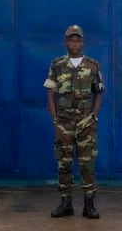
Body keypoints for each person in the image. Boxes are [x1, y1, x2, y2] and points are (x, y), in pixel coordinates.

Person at [43, 24, 105, 220]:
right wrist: (55, 120)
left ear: (82, 41)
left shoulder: (93, 65)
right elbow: (51, 94)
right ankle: (66, 203)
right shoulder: (57, 65)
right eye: (71, 39)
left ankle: (89, 204)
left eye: (78, 39)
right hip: (64, 122)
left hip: (86, 122)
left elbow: (99, 93)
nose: (75, 43)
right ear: (66, 41)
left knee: (88, 163)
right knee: (64, 163)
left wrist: (94, 117)